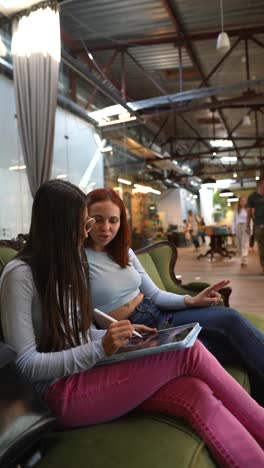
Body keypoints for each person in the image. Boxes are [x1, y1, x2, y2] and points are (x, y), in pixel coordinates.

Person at [1, 181, 264, 467]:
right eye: (83, 223)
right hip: (59, 392)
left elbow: (78, 331)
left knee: (195, 391)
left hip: (90, 369)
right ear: (58, 224)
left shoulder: (68, 263)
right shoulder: (20, 275)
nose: (87, 231)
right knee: (190, 352)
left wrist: (116, 336)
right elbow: (25, 364)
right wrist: (101, 347)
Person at [86, 188, 264, 405]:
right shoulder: (77, 260)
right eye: (98, 219)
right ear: (85, 219)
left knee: (231, 318)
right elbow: (84, 325)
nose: (106, 228)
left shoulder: (124, 251)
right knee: (228, 347)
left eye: (113, 220)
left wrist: (192, 300)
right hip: (138, 331)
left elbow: (155, 294)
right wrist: (112, 340)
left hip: (159, 312)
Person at [247, 176, 264, 273]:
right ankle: (263, 266)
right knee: (261, 247)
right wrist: (247, 225)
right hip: (259, 225)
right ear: (260, 184)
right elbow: (249, 213)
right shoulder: (252, 197)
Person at [232, 196, 250, 267]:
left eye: (244, 201)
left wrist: (249, 228)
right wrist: (233, 230)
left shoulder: (248, 209)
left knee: (244, 243)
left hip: (245, 226)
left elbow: (250, 220)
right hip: (238, 227)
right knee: (239, 244)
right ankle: (242, 258)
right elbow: (234, 221)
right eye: (241, 201)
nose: (243, 202)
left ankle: (244, 260)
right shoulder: (236, 210)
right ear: (239, 202)